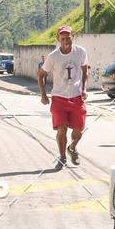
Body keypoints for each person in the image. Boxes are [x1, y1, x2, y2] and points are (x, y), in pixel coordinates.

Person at [38, 26, 88, 168]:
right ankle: (62, 157)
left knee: (78, 131)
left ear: (73, 36)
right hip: (59, 98)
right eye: (63, 38)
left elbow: (85, 72)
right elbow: (41, 75)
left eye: (68, 37)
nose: (66, 41)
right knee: (62, 128)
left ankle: (71, 147)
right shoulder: (53, 56)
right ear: (58, 39)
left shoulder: (81, 52)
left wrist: (84, 89)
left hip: (77, 97)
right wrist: (43, 94)